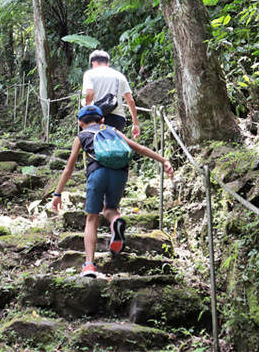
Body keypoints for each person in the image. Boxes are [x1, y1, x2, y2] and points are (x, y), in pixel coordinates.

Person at [51, 105, 174, 278]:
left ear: (80, 123)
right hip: (120, 173)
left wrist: (57, 194)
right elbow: (139, 148)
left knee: (92, 219)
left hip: (97, 173)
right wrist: (164, 160)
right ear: (102, 120)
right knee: (110, 209)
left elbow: (68, 169)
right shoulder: (114, 130)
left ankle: (89, 265)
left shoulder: (82, 136)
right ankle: (116, 220)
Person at [82, 50, 141, 139]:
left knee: (99, 146)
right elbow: (130, 100)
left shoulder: (90, 74)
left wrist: (86, 113)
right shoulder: (119, 75)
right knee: (114, 146)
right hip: (118, 119)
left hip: (98, 119)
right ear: (107, 63)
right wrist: (135, 124)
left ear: (93, 63)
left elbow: (90, 93)